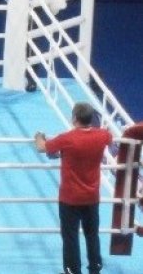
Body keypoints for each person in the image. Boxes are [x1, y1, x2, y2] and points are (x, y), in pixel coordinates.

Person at [34, 102, 111, 274]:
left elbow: (41, 147)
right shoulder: (102, 136)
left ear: (74, 118)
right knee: (92, 235)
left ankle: (72, 270)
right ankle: (95, 268)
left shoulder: (66, 138)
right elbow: (110, 137)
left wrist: (39, 135)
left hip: (69, 198)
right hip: (92, 197)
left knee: (70, 237)